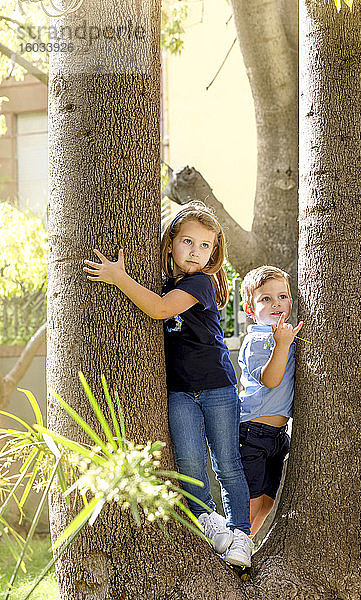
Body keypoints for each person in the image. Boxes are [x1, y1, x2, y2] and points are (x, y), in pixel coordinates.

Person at [83, 202, 253, 567]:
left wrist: (119, 278)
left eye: (206, 245)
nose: (196, 252)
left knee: (228, 463)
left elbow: (159, 309)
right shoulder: (163, 281)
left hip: (217, 387)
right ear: (170, 242)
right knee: (190, 460)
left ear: (214, 253)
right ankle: (209, 519)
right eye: (188, 241)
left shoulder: (200, 282)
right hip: (178, 391)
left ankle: (241, 536)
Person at [238, 265, 304, 536]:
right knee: (251, 501)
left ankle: (245, 543)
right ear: (250, 310)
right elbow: (271, 380)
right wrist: (282, 345)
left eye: (283, 296)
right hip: (252, 432)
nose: (277, 304)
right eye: (266, 299)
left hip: (277, 435)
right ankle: (234, 545)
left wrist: (286, 342)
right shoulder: (258, 339)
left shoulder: (284, 335)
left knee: (268, 501)